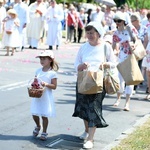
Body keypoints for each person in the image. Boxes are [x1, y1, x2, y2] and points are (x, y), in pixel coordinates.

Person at [72, 21, 116, 149]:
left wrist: (106, 64)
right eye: (88, 33)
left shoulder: (105, 47)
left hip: (98, 82)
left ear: (98, 33)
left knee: (94, 108)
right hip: (83, 80)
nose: (90, 35)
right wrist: (81, 66)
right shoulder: (84, 47)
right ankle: (86, 131)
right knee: (83, 108)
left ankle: (91, 139)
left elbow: (114, 62)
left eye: (92, 33)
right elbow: (76, 64)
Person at [112, 12, 138, 111]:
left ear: (124, 21)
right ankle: (118, 98)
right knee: (119, 79)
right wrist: (112, 53)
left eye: (119, 20)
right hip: (121, 56)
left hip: (131, 56)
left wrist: (134, 45)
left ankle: (127, 103)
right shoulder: (116, 33)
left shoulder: (130, 29)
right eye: (115, 21)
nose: (117, 22)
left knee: (129, 80)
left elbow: (136, 39)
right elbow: (113, 45)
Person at [31, 50, 59, 141]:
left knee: (44, 115)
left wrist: (46, 84)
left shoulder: (52, 73)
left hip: (46, 97)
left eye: (44, 59)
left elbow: (54, 86)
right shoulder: (38, 70)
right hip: (37, 95)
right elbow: (35, 81)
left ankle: (44, 131)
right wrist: (34, 84)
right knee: (34, 113)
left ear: (50, 60)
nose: (42, 61)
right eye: (41, 59)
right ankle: (38, 125)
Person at [130, 13, 148, 94]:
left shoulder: (144, 28)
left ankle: (136, 85)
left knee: (139, 67)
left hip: (141, 50)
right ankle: (132, 86)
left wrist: (143, 49)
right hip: (132, 50)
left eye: (132, 21)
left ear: (137, 21)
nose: (131, 22)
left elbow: (145, 40)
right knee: (133, 68)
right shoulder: (131, 29)